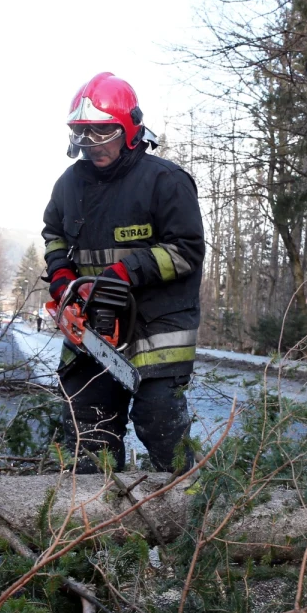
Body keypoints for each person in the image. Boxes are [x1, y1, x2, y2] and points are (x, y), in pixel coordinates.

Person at [41, 72, 204, 473]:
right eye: (84, 134)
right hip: (94, 327)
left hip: (156, 327)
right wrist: (62, 277)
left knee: (159, 422)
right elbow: (54, 235)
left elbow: (187, 250)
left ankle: (189, 510)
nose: (92, 145)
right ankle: (94, 521)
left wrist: (128, 270)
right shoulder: (69, 185)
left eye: (102, 133)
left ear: (128, 128)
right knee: (86, 429)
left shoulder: (165, 181)